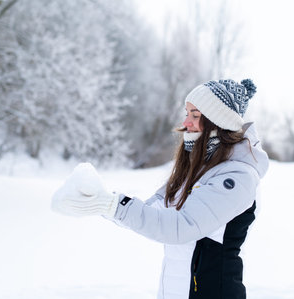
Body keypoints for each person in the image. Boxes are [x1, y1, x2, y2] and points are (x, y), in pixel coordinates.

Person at [51, 78, 269, 299]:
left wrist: (113, 205)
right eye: (187, 113)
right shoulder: (198, 170)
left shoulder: (237, 176)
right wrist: (102, 202)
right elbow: (152, 211)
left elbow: (180, 228)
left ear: (218, 122)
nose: (186, 122)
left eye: (195, 115)